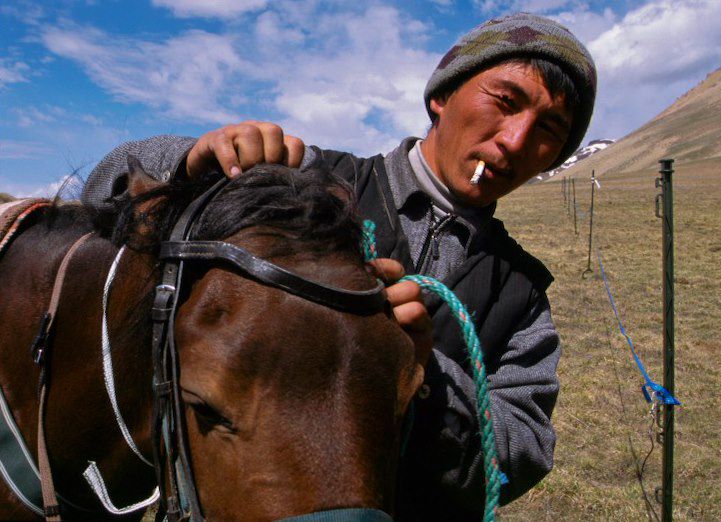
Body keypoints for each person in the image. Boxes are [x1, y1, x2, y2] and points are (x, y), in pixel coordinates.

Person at [82, 13, 596, 520]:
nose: (516, 140)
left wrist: (425, 377)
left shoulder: (522, 293)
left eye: (549, 128)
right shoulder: (304, 182)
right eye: (505, 101)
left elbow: (525, 455)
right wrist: (190, 167)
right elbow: (105, 185)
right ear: (441, 96)